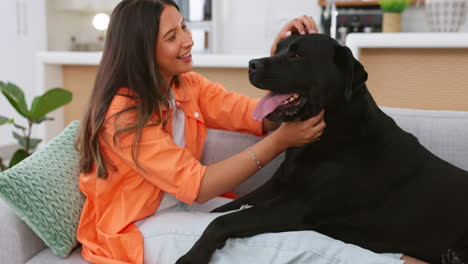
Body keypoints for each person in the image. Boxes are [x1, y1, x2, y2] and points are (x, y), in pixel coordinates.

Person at [75, 0, 428, 263]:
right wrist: (279, 143)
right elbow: (197, 186)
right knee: (296, 249)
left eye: (183, 26)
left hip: (180, 209)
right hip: (141, 227)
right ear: (141, 51)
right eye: (172, 36)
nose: (188, 40)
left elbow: (258, 117)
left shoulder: (186, 86)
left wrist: (281, 59)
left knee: (297, 225)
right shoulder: (123, 114)